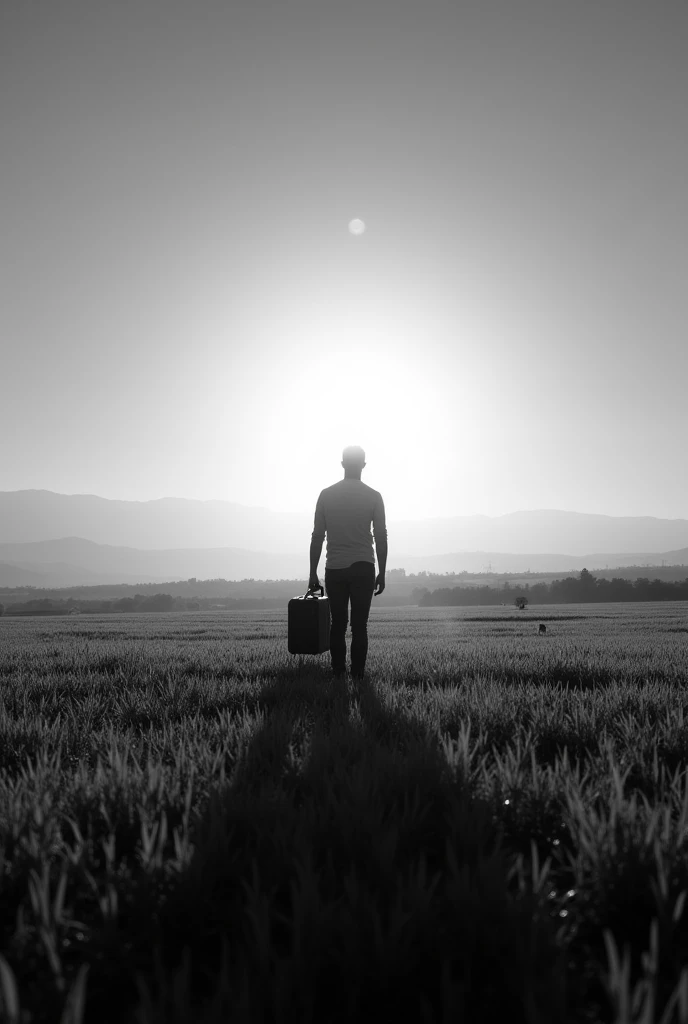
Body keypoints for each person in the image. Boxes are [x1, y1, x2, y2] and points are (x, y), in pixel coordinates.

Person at [309, 446, 387, 679]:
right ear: (363, 465)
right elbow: (381, 537)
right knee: (359, 625)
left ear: (342, 464)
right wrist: (382, 573)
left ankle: (338, 673)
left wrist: (312, 572)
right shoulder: (374, 496)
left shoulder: (326, 494)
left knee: (338, 624)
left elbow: (317, 536)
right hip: (364, 567)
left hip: (335, 568)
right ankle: (358, 676)